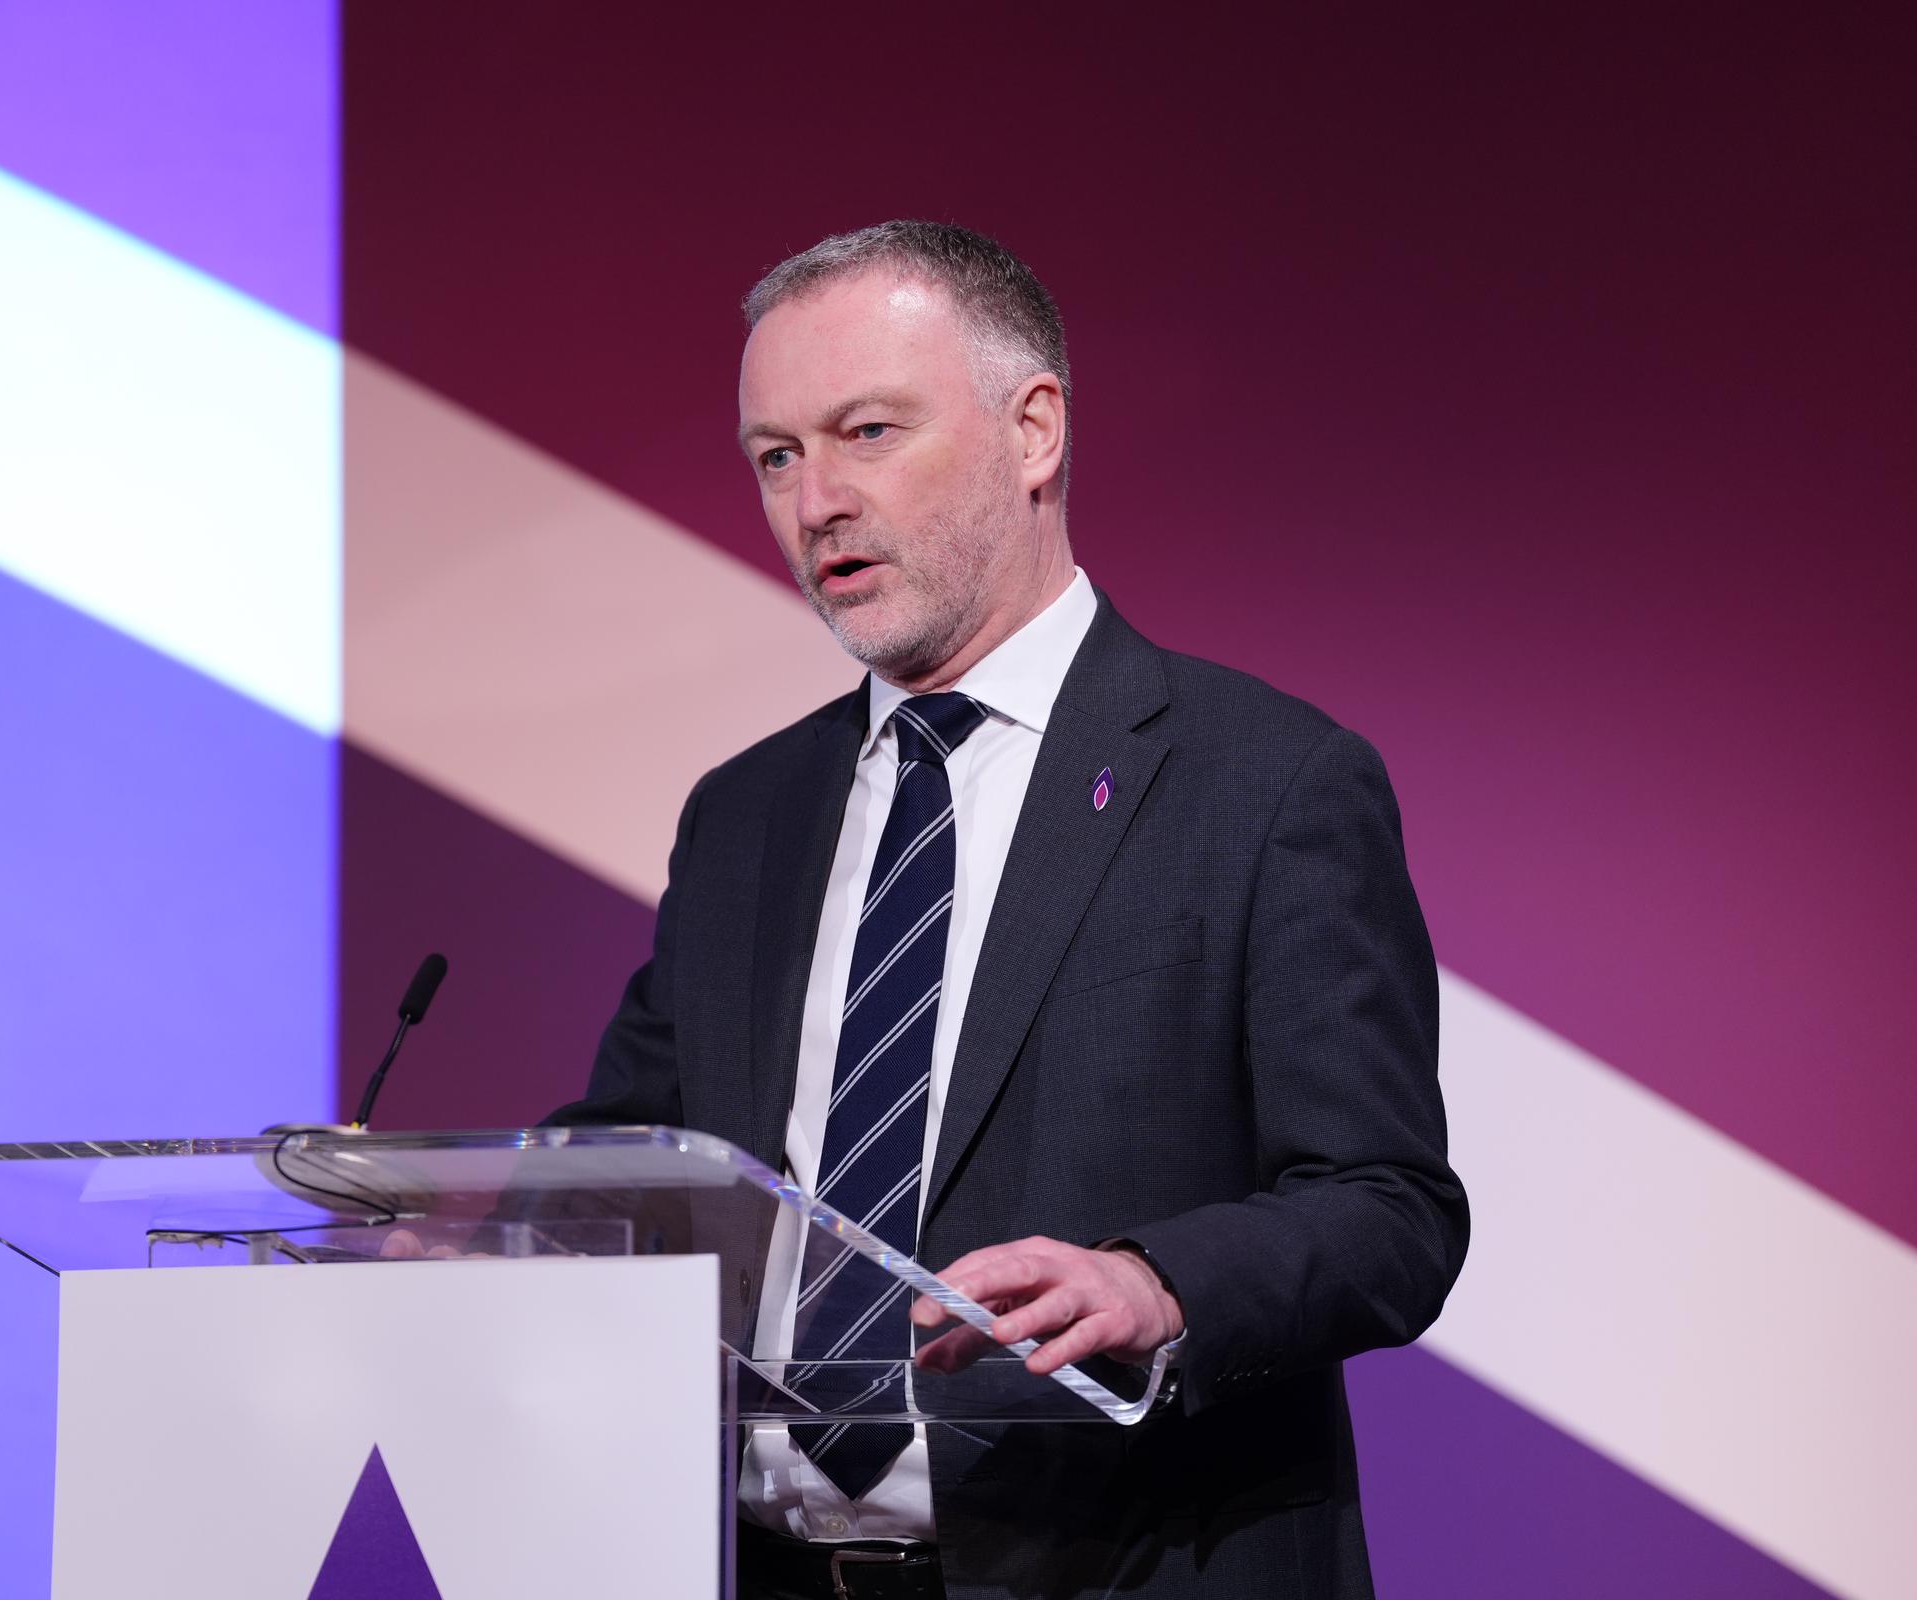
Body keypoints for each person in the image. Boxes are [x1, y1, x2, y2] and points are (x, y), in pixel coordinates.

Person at [548, 221, 1467, 1599]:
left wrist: (1161, 1284)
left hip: (1126, 1563)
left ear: (1034, 431)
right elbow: (643, 1162)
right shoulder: (743, 817)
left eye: (867, 432)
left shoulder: (1264, 782)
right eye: (776, 459)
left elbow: (1389, 1213)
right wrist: (465, 1222)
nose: (816, 504)